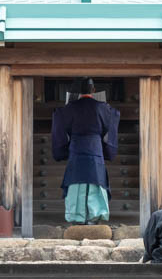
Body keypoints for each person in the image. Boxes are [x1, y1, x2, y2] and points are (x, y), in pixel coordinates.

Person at [51, 77, 121, 224]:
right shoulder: (103, 108)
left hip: (76, 148)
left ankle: (76, 217)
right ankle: (95, 216)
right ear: (93, 90)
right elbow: (114, 118)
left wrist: (61, 150)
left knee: (76, 183)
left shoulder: (69, 108)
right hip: (95, 148)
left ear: (77, 91)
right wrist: (108, 149)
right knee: (96, 182)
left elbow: (58, 121)